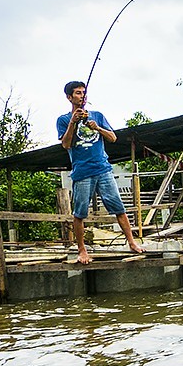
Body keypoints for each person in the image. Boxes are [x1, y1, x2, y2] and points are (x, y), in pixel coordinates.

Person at [57, 81, 144, 264]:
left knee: (119, 208)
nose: (82, 96)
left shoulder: (97, 115)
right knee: (80, 213)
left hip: (103, 169)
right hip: (82, 172)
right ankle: (82, 250)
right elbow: (66, 144)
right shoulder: (63, 120)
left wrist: (97, 127)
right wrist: (73, 122)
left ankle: (132, 242)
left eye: (84, 93)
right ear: (69, 97)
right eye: (78, 93)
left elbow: (113, 137)